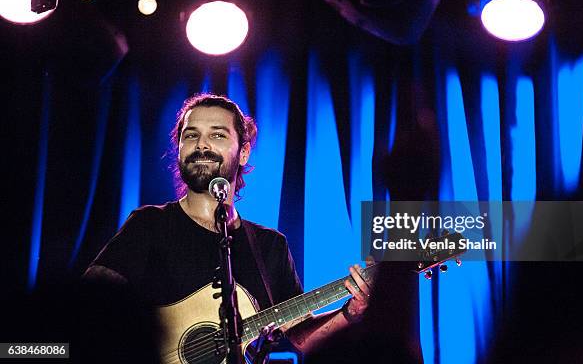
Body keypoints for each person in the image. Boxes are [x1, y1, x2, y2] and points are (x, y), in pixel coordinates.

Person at [83, 93, 370, 356]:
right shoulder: (149, 224)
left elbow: (301, 338)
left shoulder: (270, 246)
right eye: (190, 135)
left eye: (217, 135)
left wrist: (350, 313)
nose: (201, 144)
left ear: (243, 152)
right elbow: (88, 306)